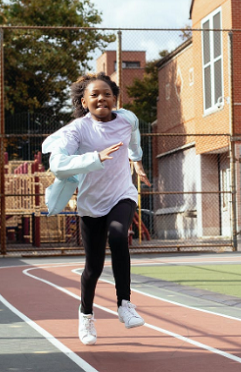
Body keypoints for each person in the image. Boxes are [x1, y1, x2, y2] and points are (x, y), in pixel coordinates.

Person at [42, 72, 151, 346]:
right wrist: (95, 157)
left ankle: (125, 304)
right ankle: (86, 314)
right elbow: (57, 164)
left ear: (115, 98)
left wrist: (136, 161)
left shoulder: (128, 119)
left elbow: (134, 139)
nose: (101, 98)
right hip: (91, 205)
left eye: (107, 93)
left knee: (118, 236)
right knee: (93, 268)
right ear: (84, 101)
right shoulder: (78, 130)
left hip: (121, 195)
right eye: (94, 95)